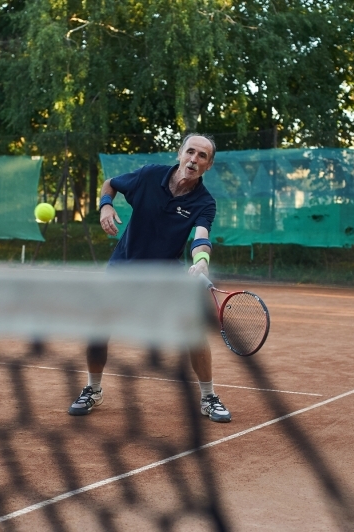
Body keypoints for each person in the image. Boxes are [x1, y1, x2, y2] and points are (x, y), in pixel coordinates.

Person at [68, 133, 232, 423]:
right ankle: (93, 389)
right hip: (123, 268)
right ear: (180, 154)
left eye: (202, 156)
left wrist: (201, 261)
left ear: (208, 165)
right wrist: (106, 205)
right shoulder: (148, 176)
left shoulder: (204, 202)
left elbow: (201, 237)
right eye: (190, 152)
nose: (194, 159)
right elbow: (111, 184)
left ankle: (208, 397)